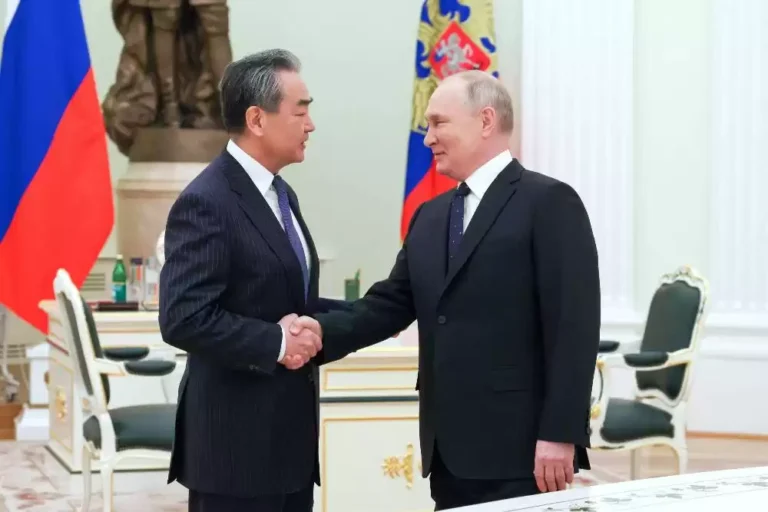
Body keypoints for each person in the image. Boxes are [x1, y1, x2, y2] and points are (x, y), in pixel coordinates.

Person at [291, 70, 601, 510]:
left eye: (438, 123)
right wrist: (318, 330)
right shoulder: (431, 215)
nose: (428, 138)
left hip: (521, 449)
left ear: (486, 121)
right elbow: (389, 304)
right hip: (448, 450)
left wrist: (560, 433)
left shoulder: (549, 202)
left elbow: (574, 326)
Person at [159, 49, 349, 512]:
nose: (311, 125)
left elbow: (290, 299)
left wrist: (383, 311)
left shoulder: (281, 194)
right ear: (257, 119)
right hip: (234, 453)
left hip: (288, 446)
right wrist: (277, 343)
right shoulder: (207, 201)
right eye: (300, 111)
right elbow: (184, 318)